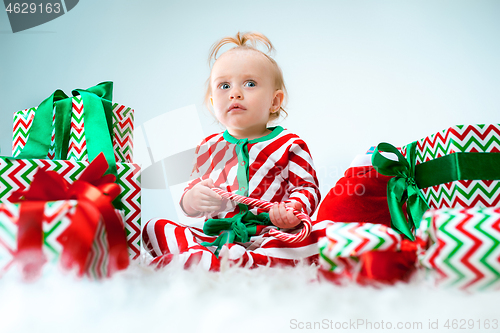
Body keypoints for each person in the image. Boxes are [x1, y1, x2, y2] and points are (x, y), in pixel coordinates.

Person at [142, 32, 327, 270]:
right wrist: (192, 199)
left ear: (275, 101)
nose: (235, 93)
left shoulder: (290, 143)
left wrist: (291, 210)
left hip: (268, 234)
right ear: (211, 103)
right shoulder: (208, 147)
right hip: (217, 236)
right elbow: (192, 193)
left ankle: (238, 260)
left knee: (319, 235)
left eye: (250, 84)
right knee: (154, 227)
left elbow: (307, 189)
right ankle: (208, 255)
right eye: (224, 85)